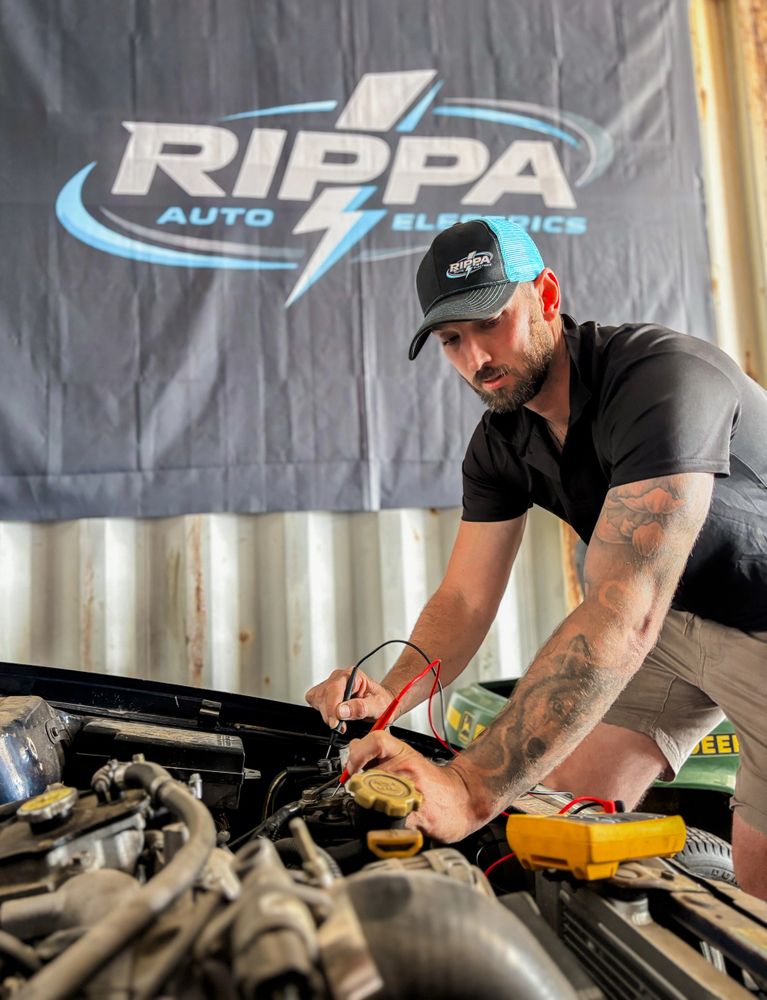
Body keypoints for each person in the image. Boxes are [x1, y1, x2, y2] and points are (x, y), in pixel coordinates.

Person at [306, 218, 767, 898]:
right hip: (677, 621)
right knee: (553, 820)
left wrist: (466, 786)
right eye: (451, 340)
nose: (474, 358)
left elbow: (624, 608)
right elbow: (463, 600)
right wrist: (390, 693)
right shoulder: (500, 442)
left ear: (545, 295)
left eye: (490, 323)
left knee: (753, 911)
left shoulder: (661, 381)